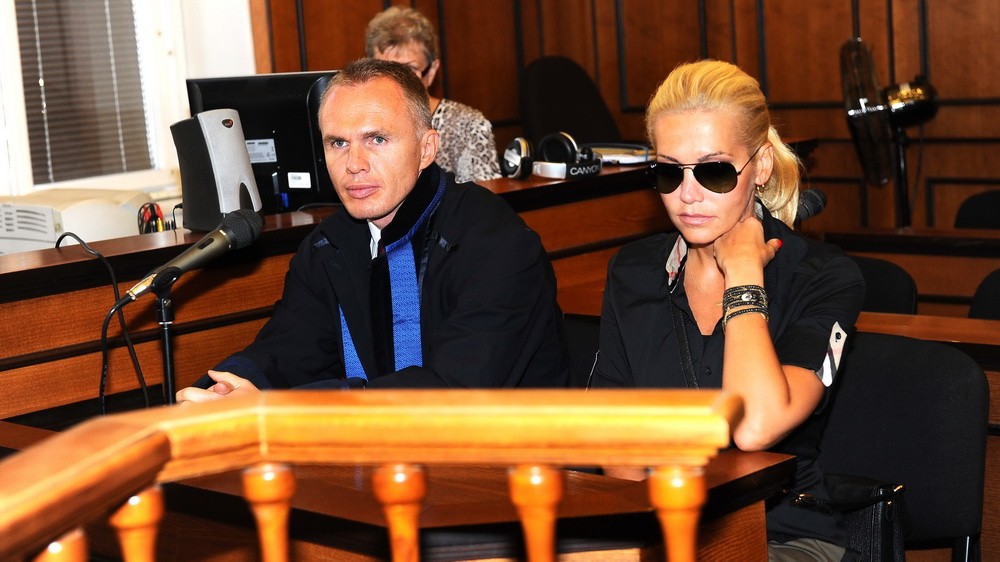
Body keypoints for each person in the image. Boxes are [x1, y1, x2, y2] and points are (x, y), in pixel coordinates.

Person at [589, 60, 865, 561]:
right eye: (669, 172)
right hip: (664, 531)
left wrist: (743, 277)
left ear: (761, 166)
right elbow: (615, 435)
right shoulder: (633, 271)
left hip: (785, 536)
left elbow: (755, 426)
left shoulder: (823, 277)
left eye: (714, 171)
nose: (687, 195)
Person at [176, 58, 569, 403]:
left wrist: (278, 407)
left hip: (515, 457)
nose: (354, 164)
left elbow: (455, 391)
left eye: (377, 139)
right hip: (379, 452)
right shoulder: (327, 246)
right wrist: (224, 390)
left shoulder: (496, 242)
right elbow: (289, 347)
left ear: (426, 149)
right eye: (337, 143)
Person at [365, 6, 502, 184]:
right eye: (386, 70)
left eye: (410, 69)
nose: (397, 82)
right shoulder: (360, 125)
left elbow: (484, 197)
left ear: (431, 72)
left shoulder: (468, 125)